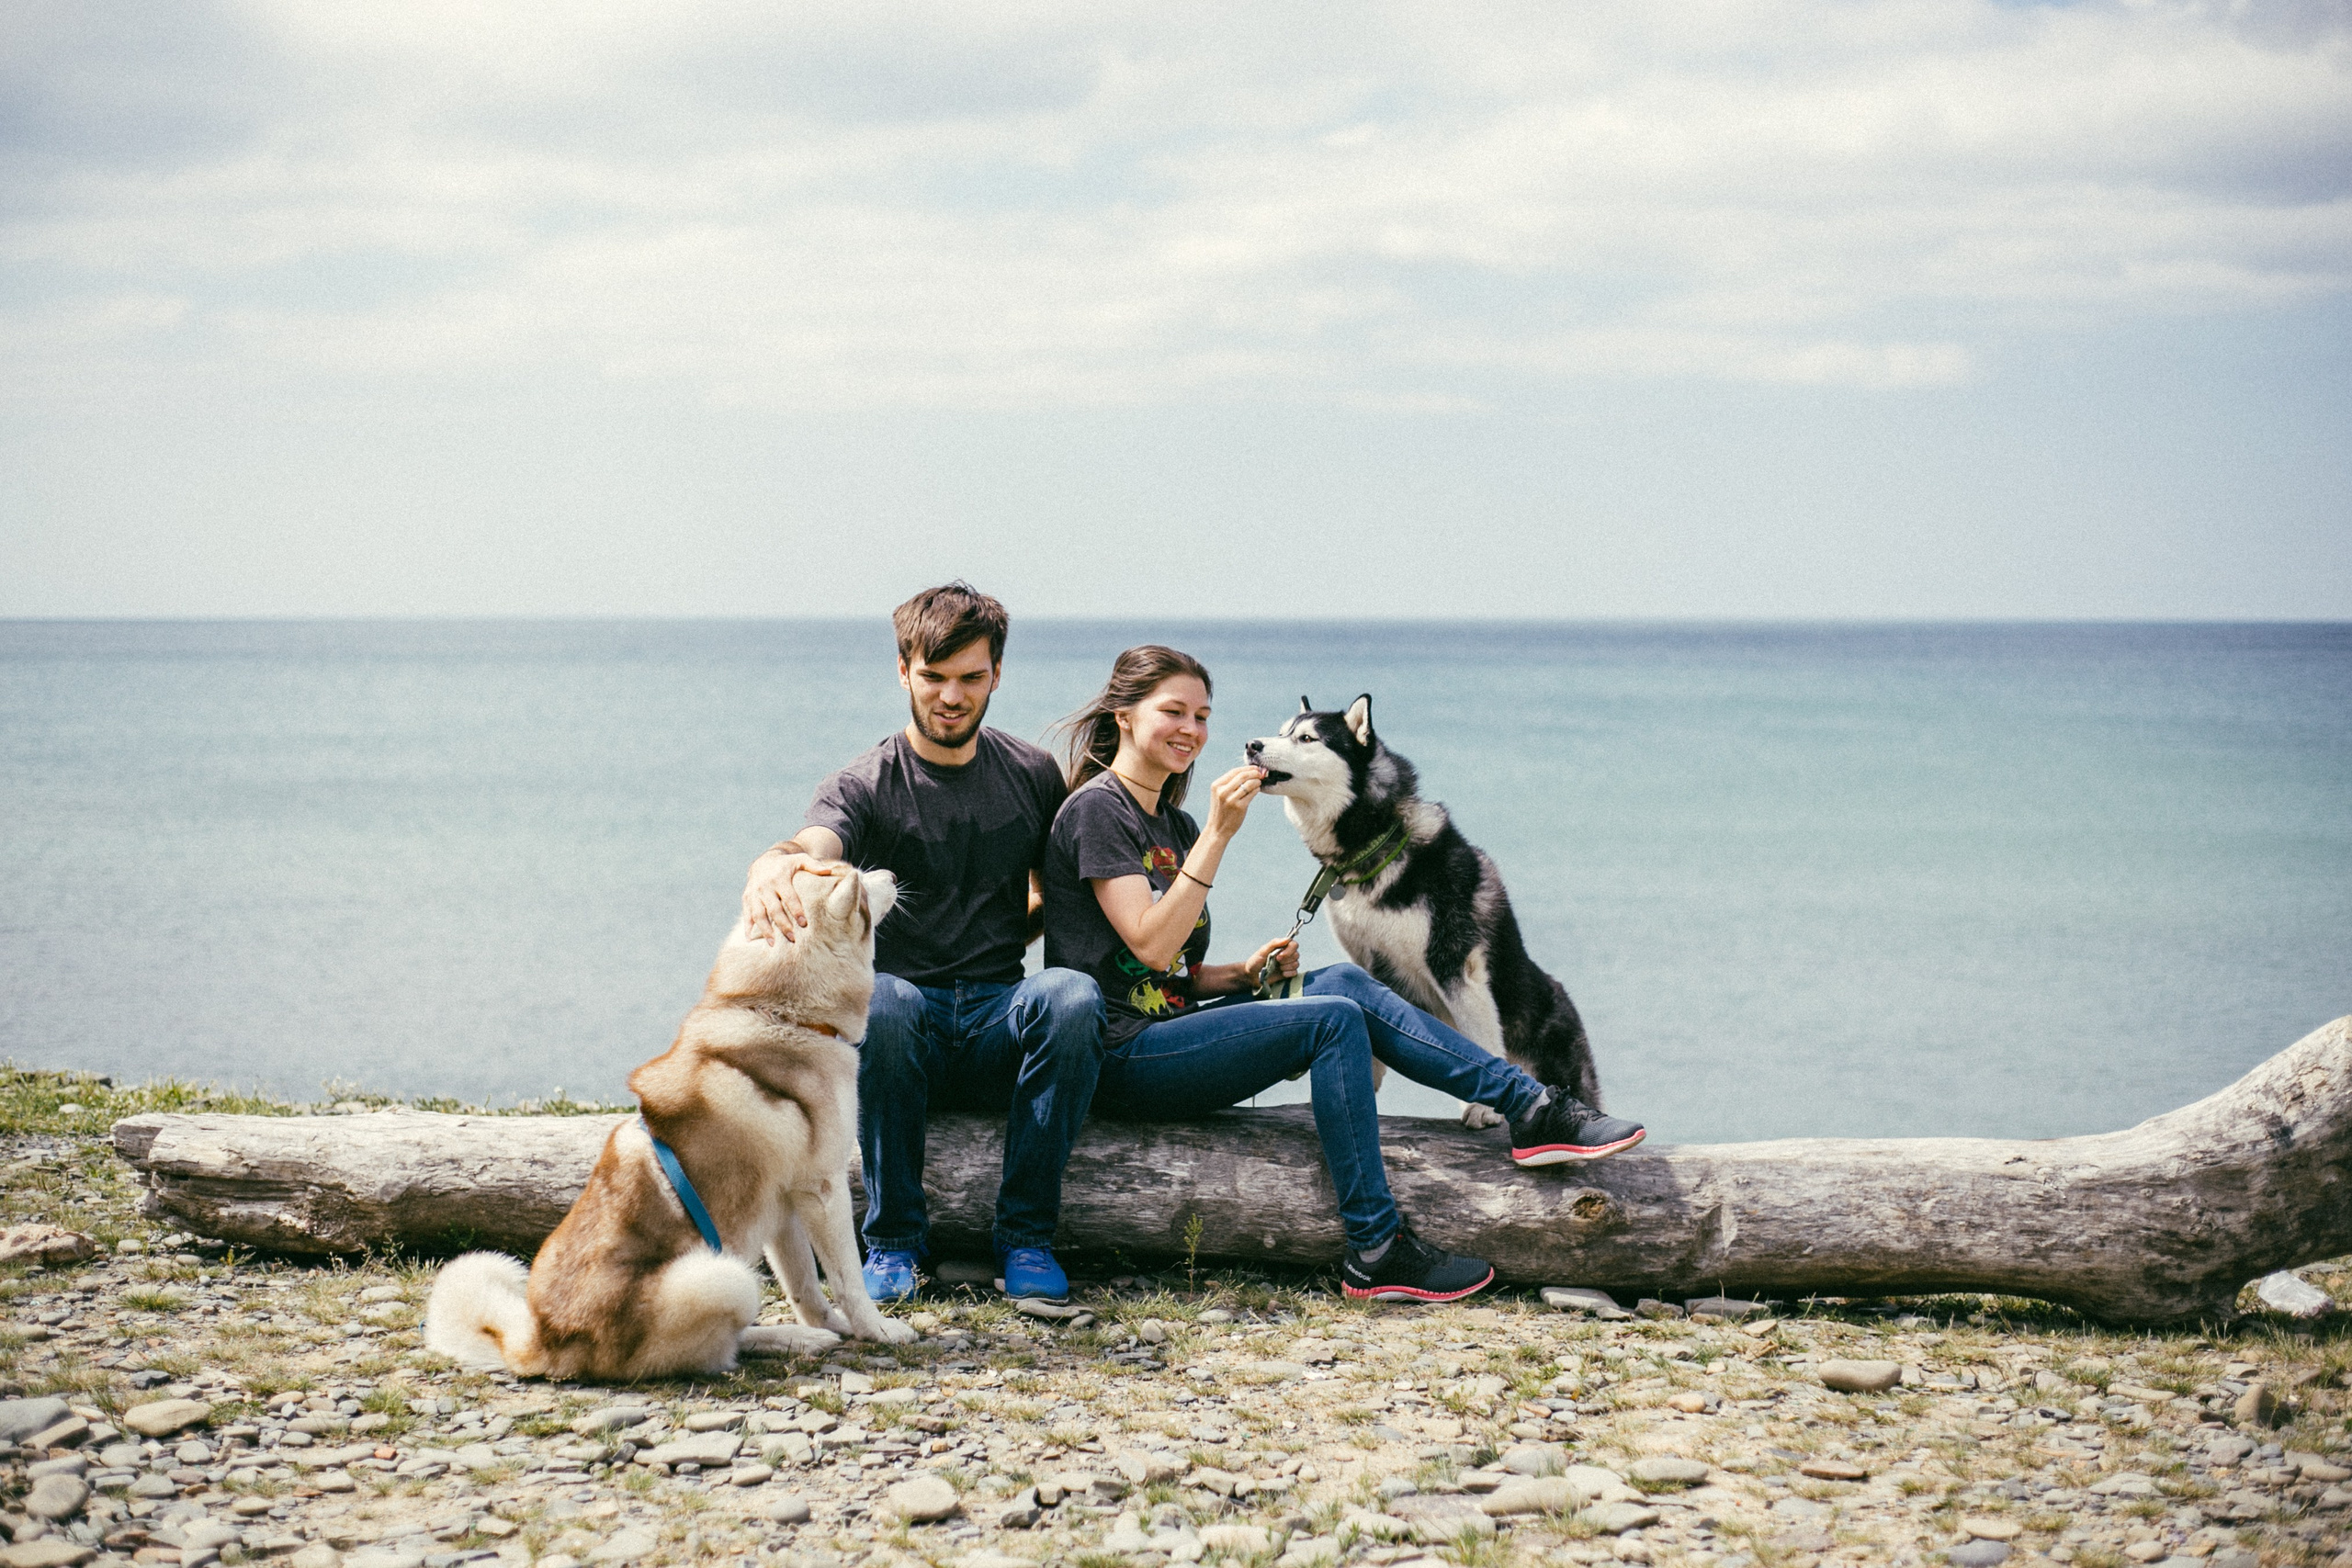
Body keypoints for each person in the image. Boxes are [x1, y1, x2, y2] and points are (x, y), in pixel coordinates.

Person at [1041, 645, 1645, 1303]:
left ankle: (1527, 1104)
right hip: (1120, 1058)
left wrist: (1241, 976)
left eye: (1202, 714)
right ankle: (1376, 1245)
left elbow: (1167, 974)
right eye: (1173, 712)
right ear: (1124, 717)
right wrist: (1218, 835)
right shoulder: (1099, 809)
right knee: (1333, 1020)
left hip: (1171, 1035)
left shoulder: (1170, 820)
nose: (1191, 729)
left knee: (1346, 984)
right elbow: (1150, 946)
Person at [741, 582, 1103, 1305]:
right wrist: (772, 862)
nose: (951, 695)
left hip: (1000, 1019)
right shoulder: (866, 783)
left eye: (971, 677)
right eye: (934, 676)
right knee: (892, 999)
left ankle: (1026, 1237)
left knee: (1071, 995)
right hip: (905, 1038)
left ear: (996, 675)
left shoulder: (1032, 775)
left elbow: (1053, 894)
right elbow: (815, 841)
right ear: (903, 671)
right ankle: (896, 1243)